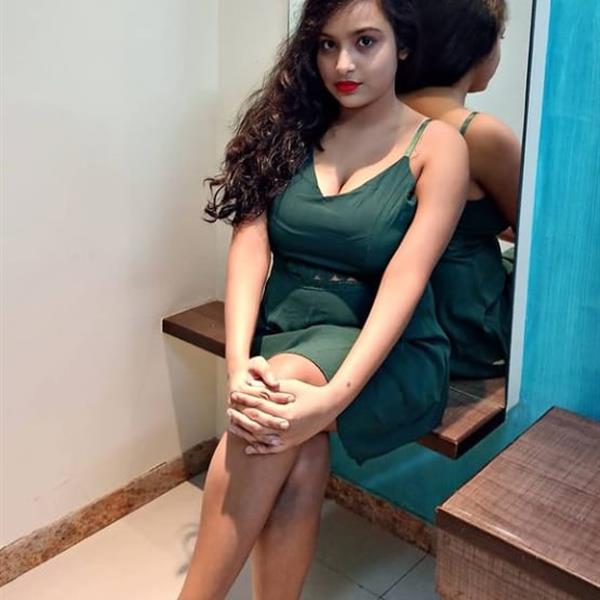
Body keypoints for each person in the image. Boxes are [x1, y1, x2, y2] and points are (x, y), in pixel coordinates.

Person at [177, 0, 468, 598]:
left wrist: (332, 399)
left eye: (365, 42)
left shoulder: (438, 145)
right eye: (327, 44)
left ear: (402, 45)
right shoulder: (290, 126)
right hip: (288, 327)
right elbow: (250, 245)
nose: (343, 64)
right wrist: (237, 365)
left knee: (274, 401)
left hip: (386, 343)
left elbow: (406, 279)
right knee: (299, 454)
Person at [402, 0, 521, 379]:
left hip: (402, 324)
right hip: (468, 331)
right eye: (500, 38)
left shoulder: (381, 112)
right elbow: (540, 240)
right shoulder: (480, 134)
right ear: (475, 45)